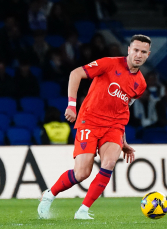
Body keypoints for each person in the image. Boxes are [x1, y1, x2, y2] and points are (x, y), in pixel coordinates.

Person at [37, 34, 151, 219]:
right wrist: (72, 106)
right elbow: (76, 73)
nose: (139, 54)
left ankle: (82, 210)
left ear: (148, 55)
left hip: (114, 126)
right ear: (129, 50)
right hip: (89, 120)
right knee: (82, 173)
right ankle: (49, 195)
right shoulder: (108, 63)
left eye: (143, 52)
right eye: (136, 50)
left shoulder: (141, 84)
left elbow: (123, 109)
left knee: (109, 163)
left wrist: (123, 139)